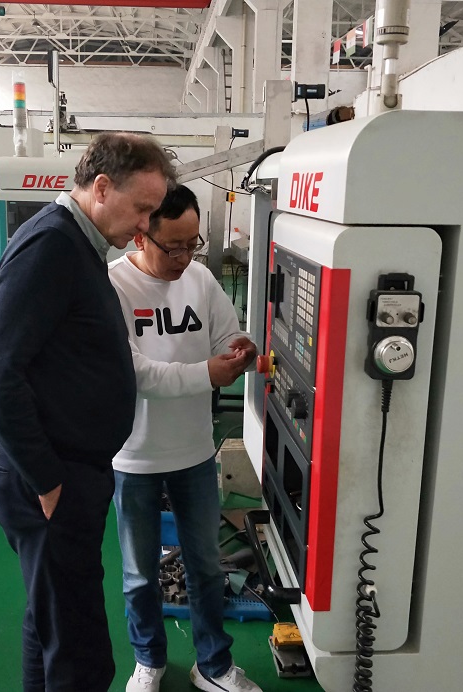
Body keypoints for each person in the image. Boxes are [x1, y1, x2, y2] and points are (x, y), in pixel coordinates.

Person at [0, 132, 177, 692]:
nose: (146, 227)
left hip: (68, 471)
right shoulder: (53, 247)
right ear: (102, 188)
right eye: (142, 208)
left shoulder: (77, 243)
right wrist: (47, 478)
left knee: (52, 621)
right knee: (79, 647)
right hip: (50, 477)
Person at [108, 184, 261, 692]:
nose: (183, 257)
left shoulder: (200, 278)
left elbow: (225, 337)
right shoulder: (113, 287)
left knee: (206, 568)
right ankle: (148, 661)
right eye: (172, 246)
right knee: (139, 574)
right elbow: (134, 372)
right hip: (134, 455)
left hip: (195, 452)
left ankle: (213, 666)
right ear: (140, 234)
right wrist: (207, 374)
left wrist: (238, 350)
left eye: (192, 244)